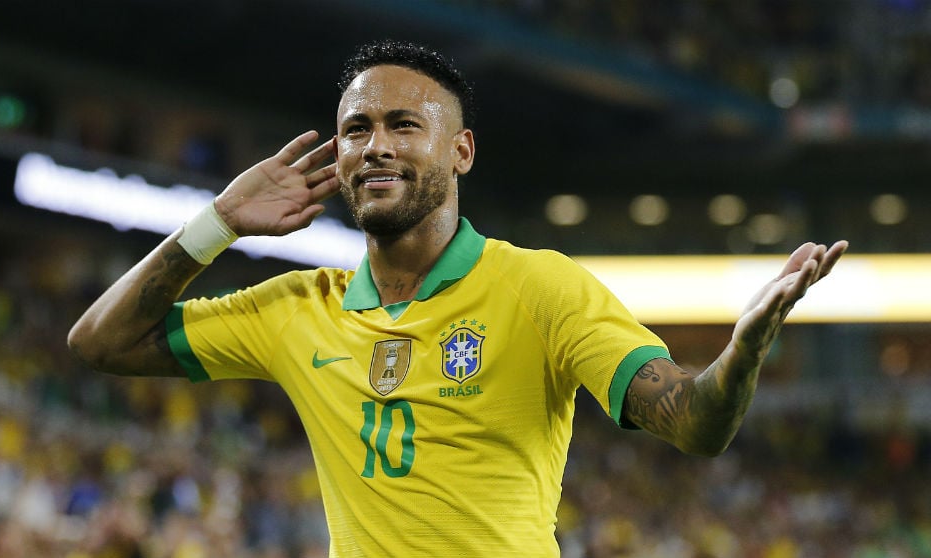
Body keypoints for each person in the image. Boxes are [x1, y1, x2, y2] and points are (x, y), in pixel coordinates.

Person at [68, 39, 848, 557]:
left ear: (460, 150)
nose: (375, 145)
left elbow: (694, 422)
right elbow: (98, 344)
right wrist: (214, 226)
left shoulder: (541, 288)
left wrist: (740, 355)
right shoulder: (296, 306)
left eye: (404, 125)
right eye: (356, 129)